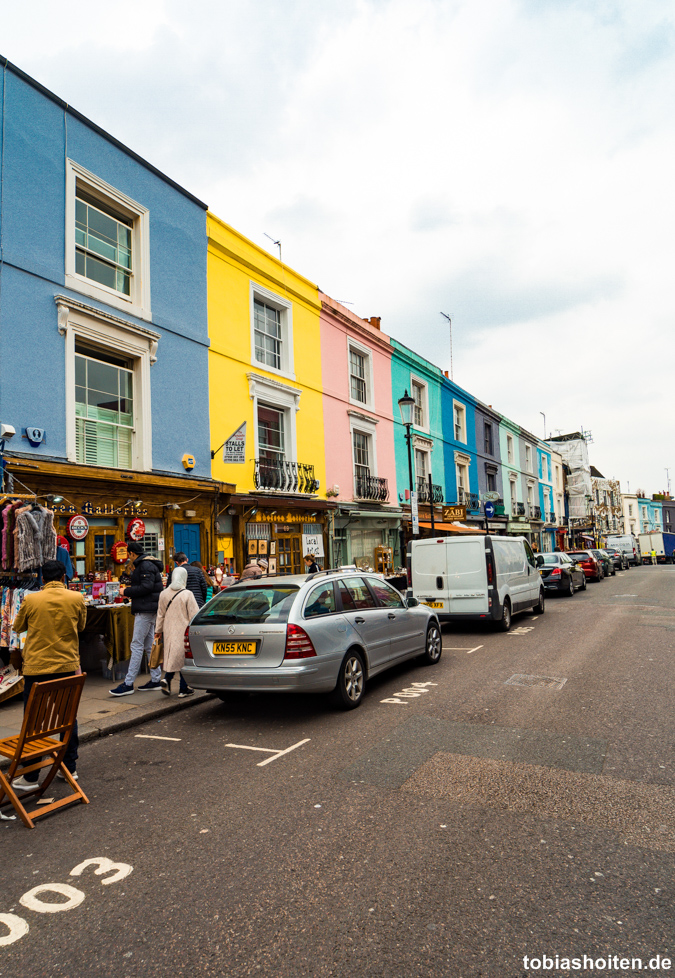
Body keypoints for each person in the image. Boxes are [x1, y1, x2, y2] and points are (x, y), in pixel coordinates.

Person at [10, 559, 86, 789]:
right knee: (67, 718)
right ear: (64, 578)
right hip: (66, 665)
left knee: (33, 721)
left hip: (37, 667)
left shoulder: (31, 598)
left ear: (43, 579)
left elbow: (18, 626)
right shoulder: (76, 598)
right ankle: (70, 768)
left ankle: (31, 775)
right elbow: (81, 627)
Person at [109, 541, 164, 696]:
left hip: (145, 610)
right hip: (150, 608)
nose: (128, 558)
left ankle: (128, 683)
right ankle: (155, 679)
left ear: (132, 554)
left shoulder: (144, 565)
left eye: (129, 555)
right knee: (147, 645)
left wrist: (126, 591)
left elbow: (146, 587)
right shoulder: (148, 564)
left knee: (136, 645)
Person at [155, 566, 198, 698]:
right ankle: (183, 689)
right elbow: (194, 614)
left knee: (172, 657)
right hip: (183, 630)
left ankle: (167, 679)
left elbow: (160, 614)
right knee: (184, 659)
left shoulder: (163, 594)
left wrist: (158, 631)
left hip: (168, 630)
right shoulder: (187, 594)